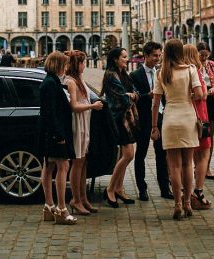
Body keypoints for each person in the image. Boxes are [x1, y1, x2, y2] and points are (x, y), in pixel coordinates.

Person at [151, 38, 204, 220]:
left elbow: (155, 103)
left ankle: (177, 204)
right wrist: (187, 94)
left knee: (172, 165)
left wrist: (153, 126)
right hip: (188, 116)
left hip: (170, 118)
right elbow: (199, 95)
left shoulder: (161, 72)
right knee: (188, 163)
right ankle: (188, 203)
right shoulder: (190, 70)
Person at [37, 51, 76, 225]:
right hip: (55, 132)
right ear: (58, 65)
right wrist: (58, 134)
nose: (67, 68)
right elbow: (50, 113)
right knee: (63, 165)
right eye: (65, 64)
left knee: (49, 165)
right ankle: (61, 209)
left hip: (51, 131)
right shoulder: (50, 84)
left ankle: (49, 206)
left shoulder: (51, 82)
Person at [63, 50, 103, 215]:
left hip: (84, 122)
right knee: (77, 162)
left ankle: (84, 198)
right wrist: (92, 106)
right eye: (83, 62)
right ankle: (75, 199)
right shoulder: (70, 81)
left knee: (83, 161)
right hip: (77, 123)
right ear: (76, 64)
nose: (84, 65)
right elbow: (74, 106)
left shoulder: (79, 79)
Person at [129, 41, 171, 201]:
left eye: (159, 55)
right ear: (145, 56)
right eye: (154, 56)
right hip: (145, 118)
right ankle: (142, 188)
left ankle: (164, 188)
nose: (157, 59)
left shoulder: (161, 73)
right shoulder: (135, 75)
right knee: (141, 153)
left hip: (160, 116)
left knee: (162, 154)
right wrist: (149, 95)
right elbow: (135, 98)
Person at [101, 47, 139, 207]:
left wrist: (132, 95)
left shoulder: (124, 74)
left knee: (124, 155)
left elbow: (134, 91)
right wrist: (130, 96)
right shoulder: (110, 75)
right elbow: (123, 99)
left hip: (127, 118)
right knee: (128, 154)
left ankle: (118, 188)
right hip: (118, 119)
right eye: (123, 57)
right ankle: (110, 189)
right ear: (115, 59)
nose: (127, 58)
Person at [187, 44, 213, 210]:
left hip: (187, 116)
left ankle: (187, 193)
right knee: (203, 153)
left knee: (189, 156)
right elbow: (202, 95)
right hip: (200, 116)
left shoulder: (175, 71)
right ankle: (198, 191)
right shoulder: (195, 71)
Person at [198, 43, 214, 182]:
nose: (203, 57)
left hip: (211, 101)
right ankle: (197, 165)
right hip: (199, 101)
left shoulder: (213, 65)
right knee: (198, 134)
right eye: (201, 54)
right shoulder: (193, 66)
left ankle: (206, 166)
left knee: (209, 136)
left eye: (206, 54)